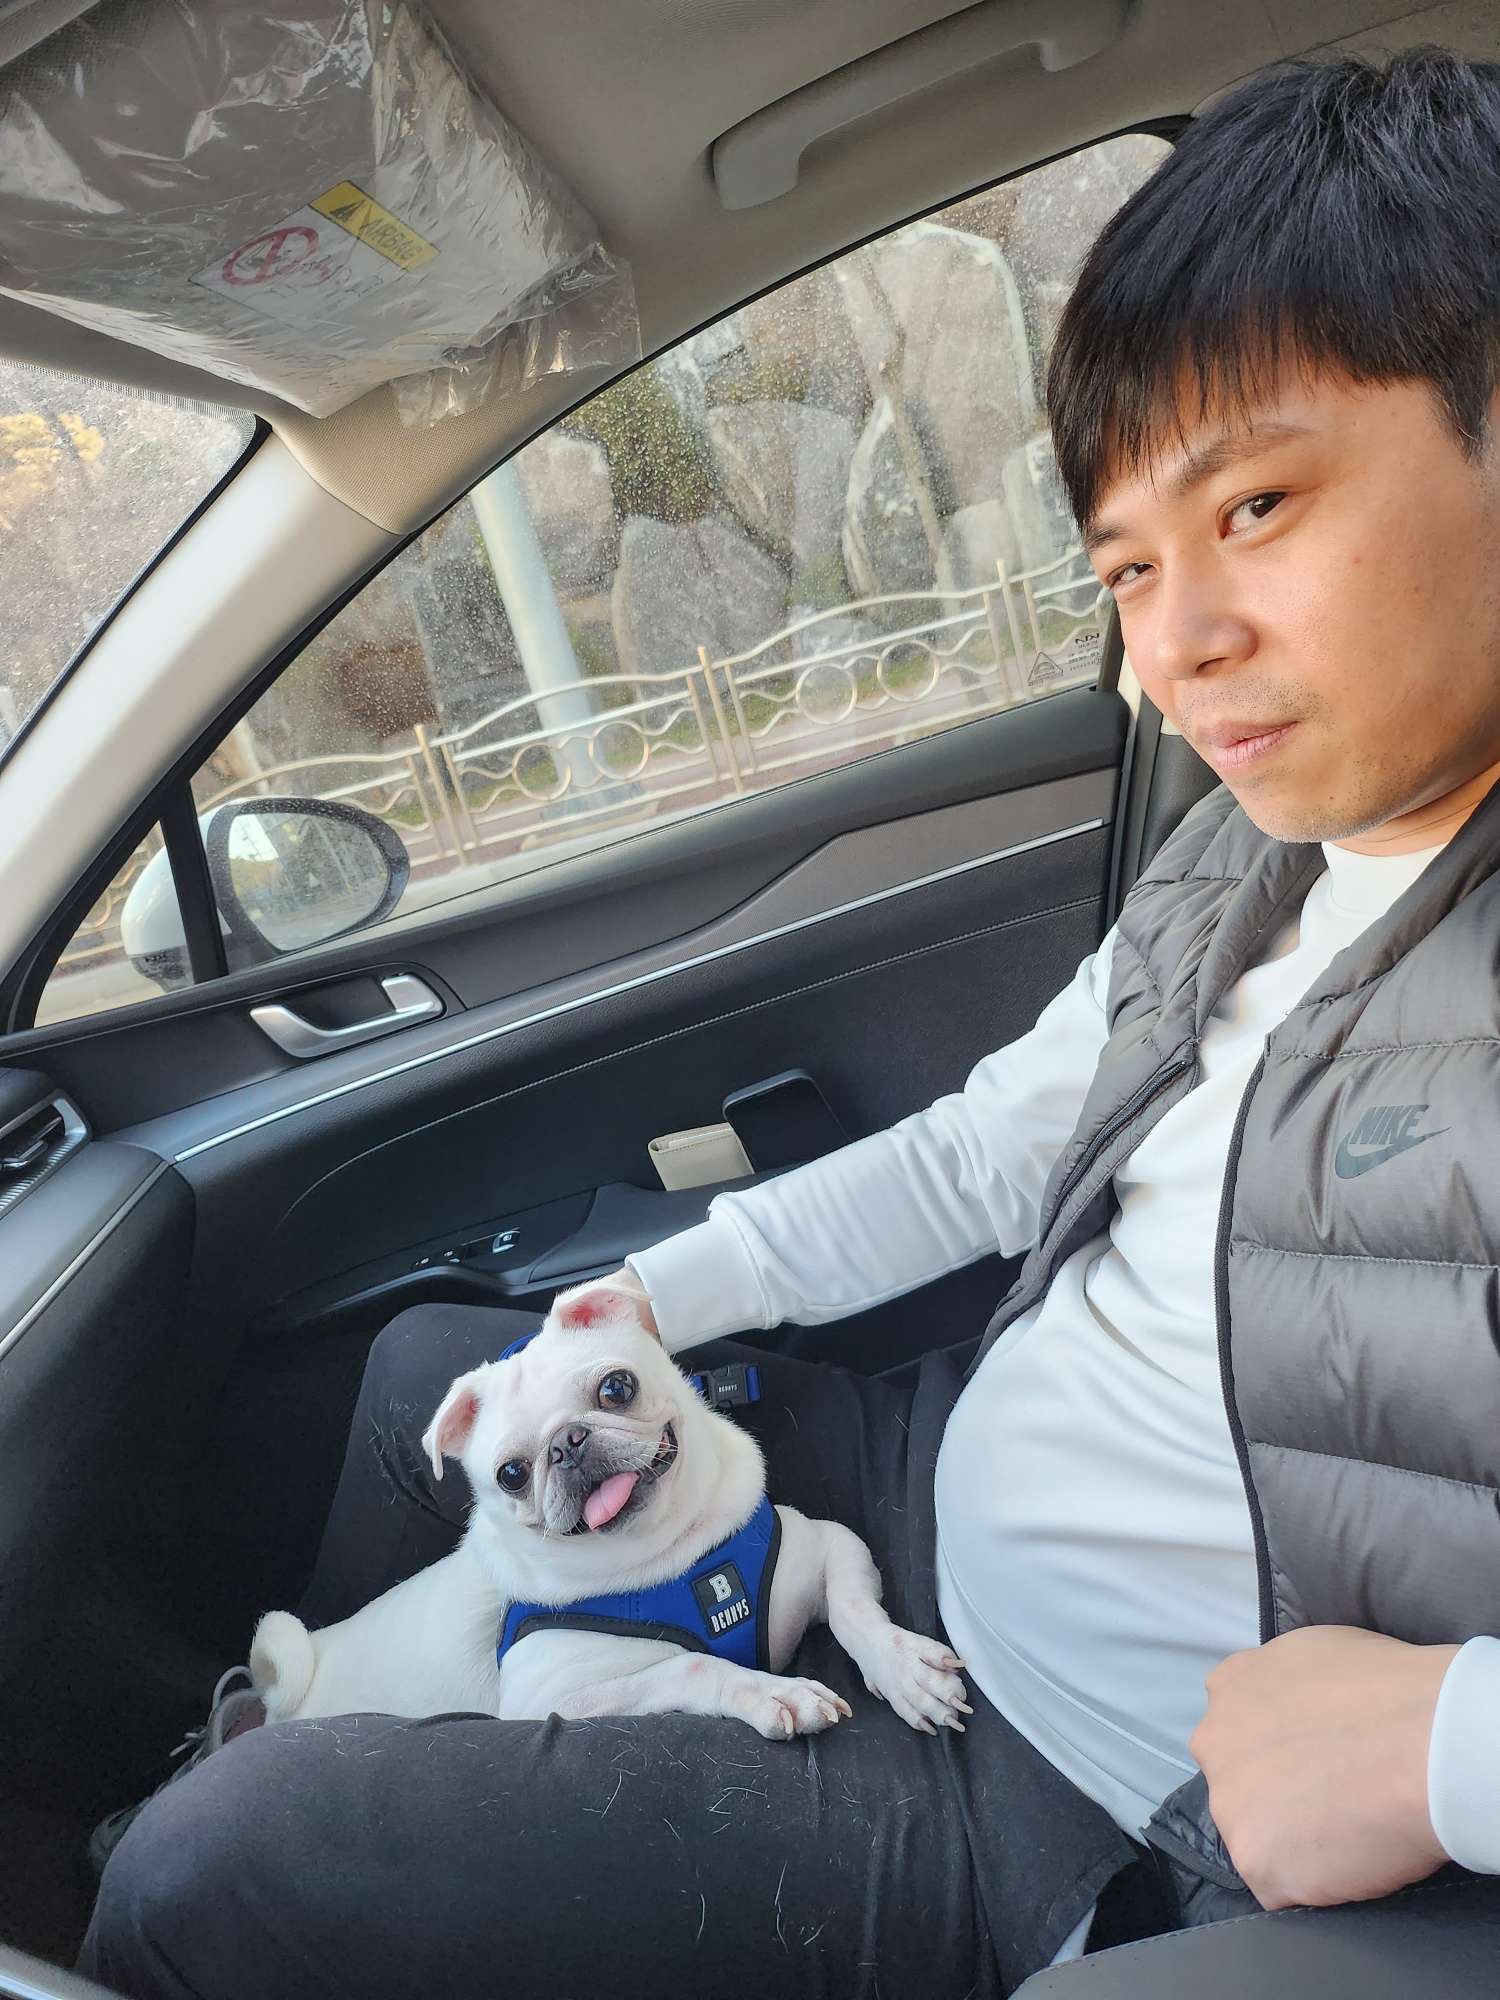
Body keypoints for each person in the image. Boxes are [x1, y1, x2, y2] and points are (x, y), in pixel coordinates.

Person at [82, 46, 1500, 1999]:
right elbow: (987, 1154)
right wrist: (640, 1306)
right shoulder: (1251, 860)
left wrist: (1447, 1746)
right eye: (1128, 568)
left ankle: (296, 1789)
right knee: (433, 1367)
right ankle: (341, 1703)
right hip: (921, 1482)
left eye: (1256, 505)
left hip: (1071, 1805)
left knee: (211, 1872)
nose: (1177, 644)